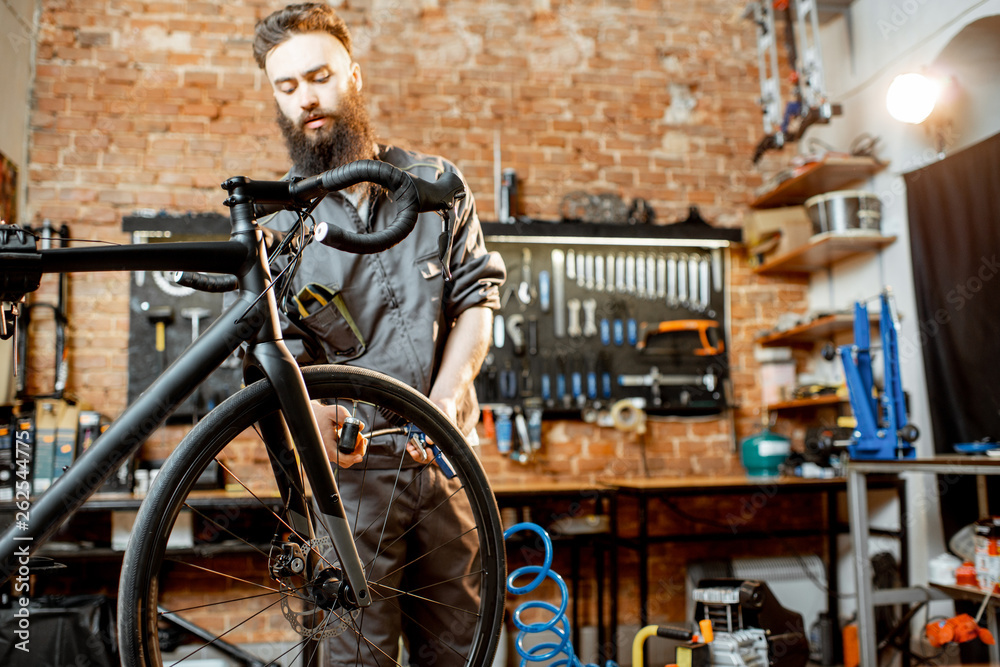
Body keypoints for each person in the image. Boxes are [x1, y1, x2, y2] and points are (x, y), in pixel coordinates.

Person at [252, 4, 506, 666]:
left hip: (448, 467)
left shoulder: (433, 186)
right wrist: (309, 408)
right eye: (288, 87)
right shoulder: (279, 225)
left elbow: (478, 297)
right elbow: (273, 355)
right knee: (350, 653)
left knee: (461, 644)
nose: (307, 98)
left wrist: (448, 400)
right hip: (349, 482)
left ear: (354, 76)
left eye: (319, 76)